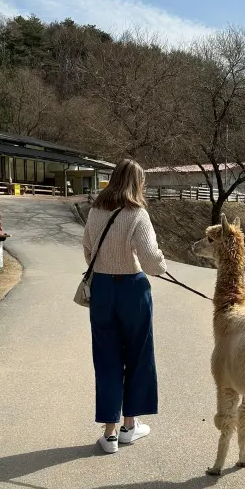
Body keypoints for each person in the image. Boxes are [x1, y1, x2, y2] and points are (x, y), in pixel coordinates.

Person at [82, 159, 167, 453]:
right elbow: (152, 262)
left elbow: (87, 250)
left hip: (102, 290)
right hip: (132, 289)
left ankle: (109, 434)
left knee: (106, 359)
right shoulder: (137, 214)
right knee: (138, 356)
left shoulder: (95, 210)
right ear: (137, 183)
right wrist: (162, 262)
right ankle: (131, 425)